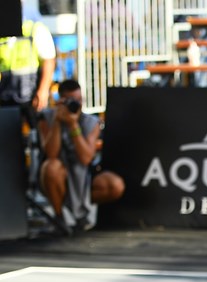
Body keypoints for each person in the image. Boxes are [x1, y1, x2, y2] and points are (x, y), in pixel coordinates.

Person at [37, 79, 124, 232]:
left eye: (78, 100)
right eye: (71, 101)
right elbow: (51, 153)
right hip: (58, 179)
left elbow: (86, 158)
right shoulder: (47, 118)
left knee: (115, 185)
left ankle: (81, 214)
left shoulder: (91, 122)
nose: (76, 105)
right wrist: (58, 121)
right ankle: (60, 218)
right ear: (61, 100)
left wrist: (73, 125)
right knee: (51, 167)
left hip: (84, 177)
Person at [0, 0, 56, 114]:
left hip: (30, 94)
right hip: (5, 94)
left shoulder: (35, 29)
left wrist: (43, 90)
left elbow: (49, 60)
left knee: (34, 129)